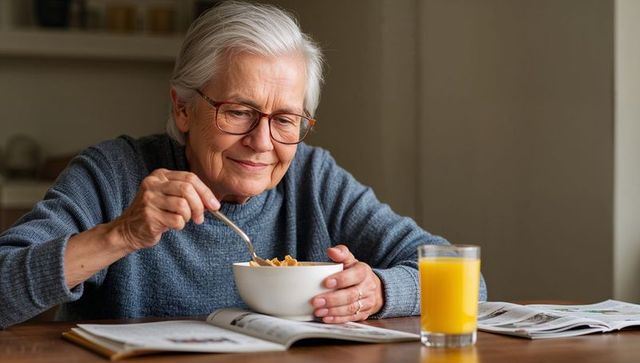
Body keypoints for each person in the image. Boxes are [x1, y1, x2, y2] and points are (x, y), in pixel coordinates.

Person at [0, 1, 486, 329]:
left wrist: (379, 290)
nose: (261, 142)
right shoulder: (113, 173)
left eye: (286, 120)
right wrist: (120, 235)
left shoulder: (313, 178)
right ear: (183, 109)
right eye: (238, 111)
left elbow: (466, 282)